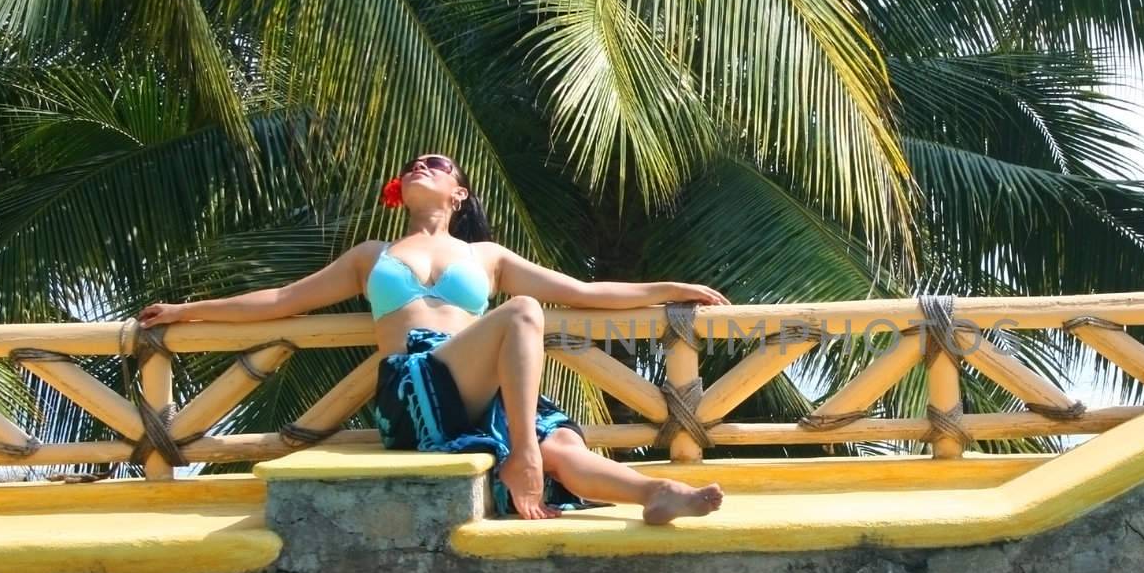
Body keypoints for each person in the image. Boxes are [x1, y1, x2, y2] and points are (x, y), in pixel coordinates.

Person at [138, 152, 725, 525]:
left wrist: (672, 288)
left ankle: (657, 492)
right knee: (522, 314)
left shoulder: (486, 256)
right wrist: (189, 310)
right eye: (415, 164)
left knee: (564, 452)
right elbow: (281, 301)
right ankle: (522, 456)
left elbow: (583, 292)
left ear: (459, 194)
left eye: (437, 165)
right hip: (415, 390)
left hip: (491, 391)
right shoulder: (372, 256)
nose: (422, 166)